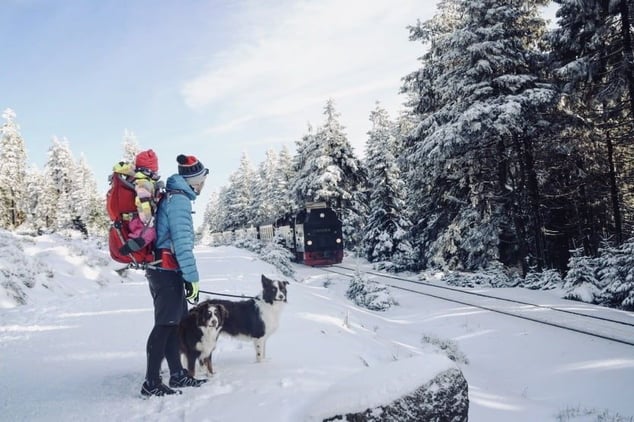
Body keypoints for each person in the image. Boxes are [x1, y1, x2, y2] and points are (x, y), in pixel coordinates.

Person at [140, 153, 210, 397]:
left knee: (173, 325)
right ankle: (151, 381)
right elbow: (181, 244)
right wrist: (193, 278)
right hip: (166, 270)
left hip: (165, 269)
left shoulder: (174, 196)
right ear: (193, 181)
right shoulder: (179, 201)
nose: (202, 185)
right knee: (163, 327)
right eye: (201, 181)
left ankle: (177, 374)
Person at [119, 149, 161, 256]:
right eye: (155, 170)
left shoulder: (141, 179)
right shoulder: (144, 183)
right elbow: (143, 201)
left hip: (137, 218)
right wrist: (148, 220)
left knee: (148, 232)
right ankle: (131, 246)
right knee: (149, 232)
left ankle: (138, 245)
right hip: (139, 218)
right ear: (150, 170)